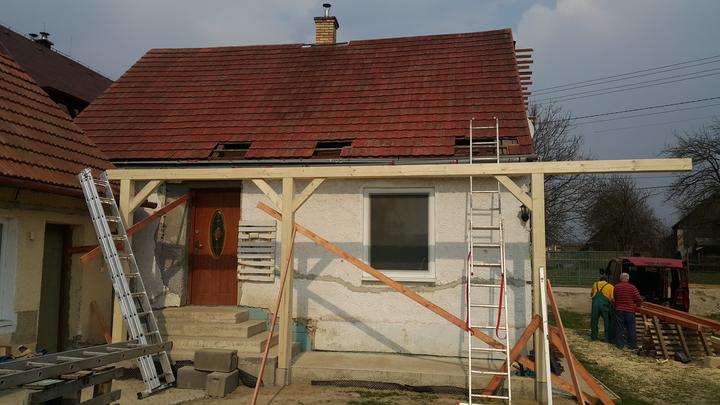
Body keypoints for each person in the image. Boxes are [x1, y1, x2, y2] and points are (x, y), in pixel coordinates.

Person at [613, 272, 643, 349]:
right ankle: (632, 345)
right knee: (631, 328)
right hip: (629, 310)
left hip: (619, 310)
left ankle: (620, 344)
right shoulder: (632, 287)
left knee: (619, 328)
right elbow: (638, 299)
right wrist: (638, 305)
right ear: (628, 279)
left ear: (620, 279)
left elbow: (615, 298)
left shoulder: (616, 287)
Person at [590, 276, 614, 341]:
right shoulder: (610, 286)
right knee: (607, 321)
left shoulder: (595, 284)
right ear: (607, 281)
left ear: (600, 280)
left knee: (594, 321)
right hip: (604, 306)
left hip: (595, 305)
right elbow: (612, 299)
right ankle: (607, 338)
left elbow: (591, 294)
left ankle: (594, 337)